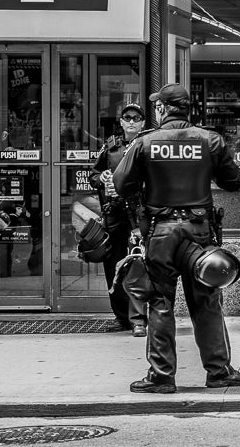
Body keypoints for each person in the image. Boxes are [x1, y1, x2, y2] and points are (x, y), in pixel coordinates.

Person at [112, 83, 240, 394]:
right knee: (207, 301)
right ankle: (218, 370)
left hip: (161, 233)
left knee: (159, 303)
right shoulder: (210, 140)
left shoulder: (145, 142)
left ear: (163, 109)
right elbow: (233, 182)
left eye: (157, 106)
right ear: (189, 108)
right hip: (199, 233)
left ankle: (161, 376)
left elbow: (122, 184)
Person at [88, 103, 148, 336]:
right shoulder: (110, 146)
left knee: (137, 266)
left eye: (136, 117)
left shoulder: (147, 144)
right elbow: (93, 174)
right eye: (127, 117)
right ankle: (121, 317)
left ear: (143, 122)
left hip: (138, 215)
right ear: (121, 122)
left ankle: (138, 319)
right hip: (114, 214)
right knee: (113, 266)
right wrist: (100, 177)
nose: (131, 121)